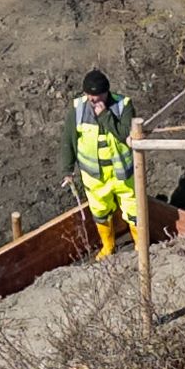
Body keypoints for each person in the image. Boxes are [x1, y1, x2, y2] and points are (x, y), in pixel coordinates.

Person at [61, 69, 139, 257]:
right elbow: (68, 140)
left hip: (123, 176)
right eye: (90, 95)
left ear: (107, 92)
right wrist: (67, 170)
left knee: (134, 210)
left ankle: (140, 245)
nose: (94, 99)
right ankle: (108, 246)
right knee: (100, 212)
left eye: (98, 95)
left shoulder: (124, 106)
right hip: (95, 177)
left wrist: (105, 115)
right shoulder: (77, 109)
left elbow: (125, 135)